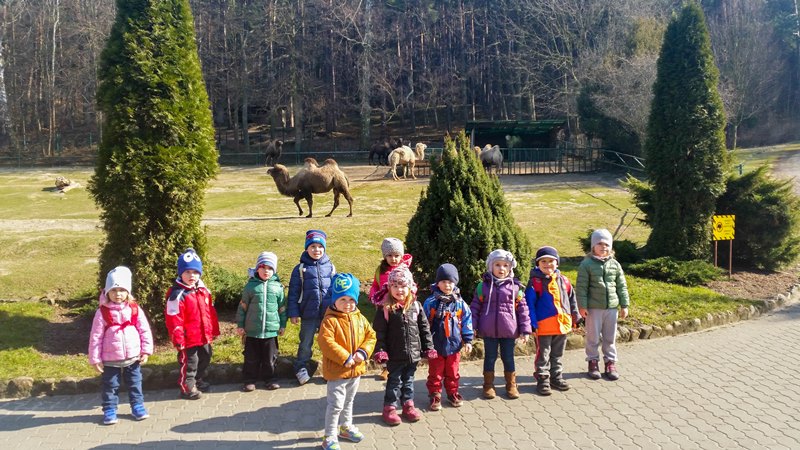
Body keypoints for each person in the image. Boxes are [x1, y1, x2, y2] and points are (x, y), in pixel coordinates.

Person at [317, 273, 377, 450]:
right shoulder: (330, 320)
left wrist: (363, 352)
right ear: (334, 300)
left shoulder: (359, 317)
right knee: (335, 405)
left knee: (349, 402)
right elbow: (326, 342)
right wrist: (345, 357)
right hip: (337, 372)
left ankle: (346, 427)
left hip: (355, 370)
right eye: (342, 299)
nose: (347, 304)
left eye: (351, 299)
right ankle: (329, 436)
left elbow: (371, 335)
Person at [88, 266, 154, 425]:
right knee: (110, 385)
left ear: (128, 292)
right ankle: (110, 410)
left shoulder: (134, 309)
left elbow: (144, 329)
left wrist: (146, 350)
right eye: (114, 290)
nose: (118, 294)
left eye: (122, 290)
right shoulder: (102, 312)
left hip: (133, 357)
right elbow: (95, 337)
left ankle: (137, 406)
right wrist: (95, 359)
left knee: (135, 383)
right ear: (107, 292)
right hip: (110, 358)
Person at [372, 267, 435, 426]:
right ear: (389, 288)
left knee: (409, 381)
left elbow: (424, 329)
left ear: (410, 287)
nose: (399, 290)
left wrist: (428, 347)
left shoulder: (416, 306)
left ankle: (408, 405)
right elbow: (379, 333)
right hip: (395, 355)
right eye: (395, 286)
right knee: (394, 382)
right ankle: (389, 408)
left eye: (403, 286)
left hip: (413, 354)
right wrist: (380, 351)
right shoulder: (385, 309)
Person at [471, 249, 532, 400]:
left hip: (509, 330)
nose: (501, 268)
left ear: (511, 268)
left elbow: (523, 310)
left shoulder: (516, 288)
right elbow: (474, 308)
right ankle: (488, 385)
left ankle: (511, 385)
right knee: (490, 358)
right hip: (488, 330)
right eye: (497, 265)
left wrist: (525, 330)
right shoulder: (482, 287)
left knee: (508, 357)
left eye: (505, 265)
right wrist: (471, 327)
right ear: (490, 266)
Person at [525, 246, 581, 396]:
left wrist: (575, 316)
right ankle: (542, 378)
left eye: (551, 261)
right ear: (538, 264)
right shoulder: (534, 282)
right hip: (543, 326)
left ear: (557, 263)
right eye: (543, 261)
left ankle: (556, 376)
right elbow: (529, 304)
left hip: (562, 325)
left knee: (557, 353)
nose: (547, 264)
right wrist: (532, 323)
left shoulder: (564, 281)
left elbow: (571, 300)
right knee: (543, 354)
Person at [165, 248, 220, 400]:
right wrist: (178, 339)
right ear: (180, 273)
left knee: (206, 356)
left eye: (195, 272)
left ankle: (197, 379)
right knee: (190, 362)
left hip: (203, 335)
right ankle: (187, 386)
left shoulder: (203, 291)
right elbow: (173, 318)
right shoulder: (177, 295)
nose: (191, 276)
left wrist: (213, 330)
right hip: (187, 338)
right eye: (187, 272)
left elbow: (210, 312)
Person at [577, 229, 630, 381]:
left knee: (609, 337)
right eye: (599, 244)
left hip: (611, 308)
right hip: (594, 308)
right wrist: (582, 306)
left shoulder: (615, 265)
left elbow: (621, 286)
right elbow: (581, 287)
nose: (603, 247)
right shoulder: (586, 264)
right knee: (593, 337)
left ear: (611, 247)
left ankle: (610, 362)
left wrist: (624, 305)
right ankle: (593, 361)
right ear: (593, 246)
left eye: (606, 244)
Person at [287, 229, 336, 385]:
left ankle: (330, 368)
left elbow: (336, 290)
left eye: (320, 247)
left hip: (327, 314)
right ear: (306, 248)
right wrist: (293, 313)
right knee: (306, 342)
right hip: (308, 313)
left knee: (328, 342)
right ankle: (301, 366)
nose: (317, 250)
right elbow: (294, 292)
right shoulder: (300, 269)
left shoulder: (330, 267)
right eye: (313, 246)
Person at [422, 263, 473, 410]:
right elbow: (424, 323)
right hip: (435, 345)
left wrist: (468, 340)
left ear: (455, 283)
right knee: (435, 372)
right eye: (443, 281)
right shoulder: (430, 302)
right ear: (437, 283)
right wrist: (424, 343)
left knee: (453, 371)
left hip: (454, 345)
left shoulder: (459, 303)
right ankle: (435, 394)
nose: (447, 285)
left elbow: (467, 320)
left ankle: (452, 392)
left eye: (450, 282)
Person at [236, 251, 286, 392]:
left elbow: (282, 308)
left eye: (270, 268)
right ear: (257, 268)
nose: (266, 271)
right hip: (252, 330)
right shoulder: (251, 287)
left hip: (270, 331)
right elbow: (242, 306)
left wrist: (282, 325)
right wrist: (240, 325)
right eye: (263, 267)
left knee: (270, 358)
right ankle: (249, 380)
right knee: (251, 358)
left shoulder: (277, 287)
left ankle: (270, 379)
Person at [368, 237, 413, 380]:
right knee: (383, 336)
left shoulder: (404, 270)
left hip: (398, 310)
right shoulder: (380, 270)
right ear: (384, 256)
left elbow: (412, 287)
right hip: (383, 308)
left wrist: (409, 298)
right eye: (390, 255)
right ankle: (386, 367)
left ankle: (399, 363)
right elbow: (375, 285)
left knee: (396, 337)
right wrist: (373, 296)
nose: (393, 259)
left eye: (397, 255)